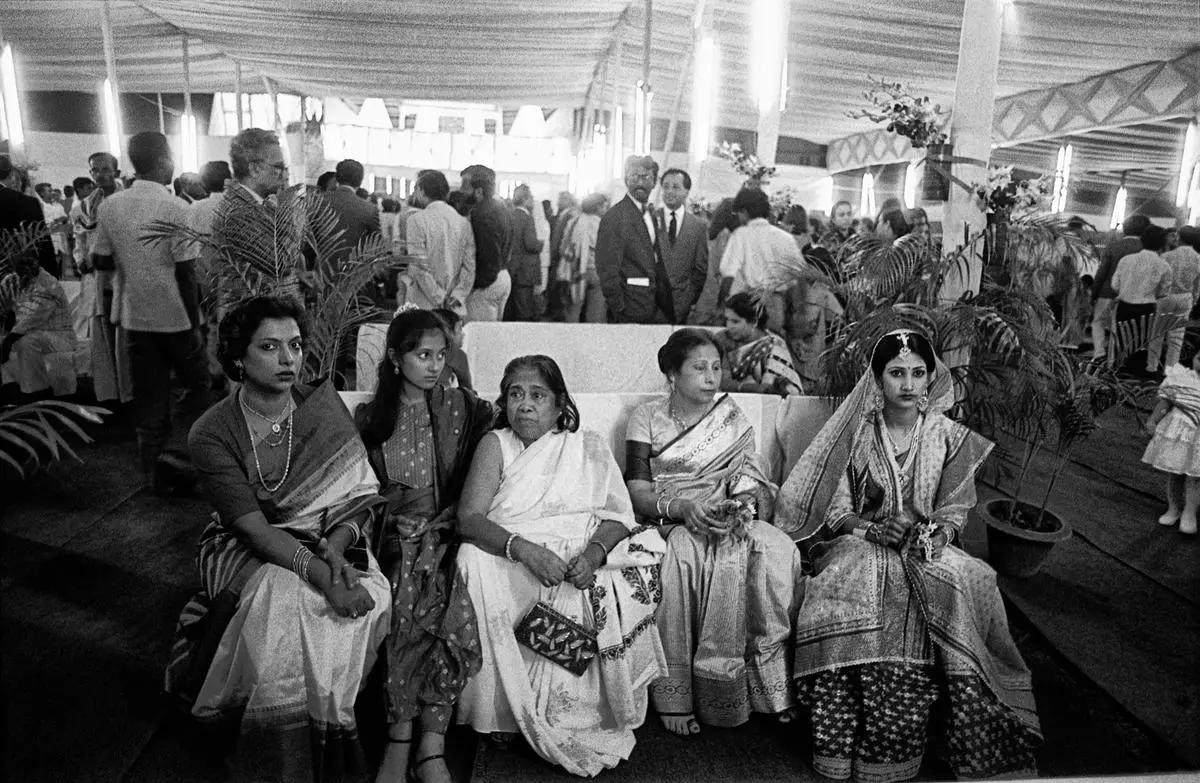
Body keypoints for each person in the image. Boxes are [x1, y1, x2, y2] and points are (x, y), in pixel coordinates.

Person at [774, 329, 1041, 782]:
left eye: (919, 373)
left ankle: (928, 735)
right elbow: (837, 511)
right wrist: (874, 529)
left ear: (930, 378)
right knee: (859, 579)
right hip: (860, 542)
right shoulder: (856, 435)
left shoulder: (949, 436)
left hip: (928, 544)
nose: (909, 384)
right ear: (877, 381)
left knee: (969, 578)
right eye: (897, 373)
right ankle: (842, 739)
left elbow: (956, 509)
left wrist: (934, 533)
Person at [164, 296, 392, 782]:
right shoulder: (212, 430)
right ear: (238, 357)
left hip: (330, 535)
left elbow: (358, 496)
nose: (289, 359)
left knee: (369, 596)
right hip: (243, 543)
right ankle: (281, 752)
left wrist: (334, 546)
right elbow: (252, 527)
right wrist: (323, 575)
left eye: (295, 345)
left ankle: (329, 730)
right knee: (288, 600)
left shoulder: (321, 407)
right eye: (269, 347)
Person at [455, 355, 667, 777]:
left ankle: (569, 706)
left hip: (577, 558)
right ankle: (503, 709)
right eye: (515, 394)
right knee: (470, 558)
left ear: (559, 404)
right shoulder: (494, 444)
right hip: (515, 554)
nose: (525, 405)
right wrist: (525, 551)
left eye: (537, 395)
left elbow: (617, 516)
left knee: (615, 574)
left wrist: (591, 556)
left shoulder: (586, 444)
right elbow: (470, 519)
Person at [624, 328, 803, 734]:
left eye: (716, 367)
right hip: (672, 517)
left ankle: (767, 689)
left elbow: (747, 474)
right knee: (686, 554)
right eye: (699, 368)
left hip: (727, 513)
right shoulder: (646, 418)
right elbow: (637, 492)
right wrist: (682, 508)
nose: (711, 377)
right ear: (672, 374)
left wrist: (737, 508)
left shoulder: (731, 414)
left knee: (773, 548)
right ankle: (678, 695)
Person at [355, 307, 494, 783]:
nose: (434, 366)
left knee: (448, 592)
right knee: (404, 588)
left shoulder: (462, 410)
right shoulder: (371, 418)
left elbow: (476, 480)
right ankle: (399, 736)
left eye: (441, 355)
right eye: (422, 355)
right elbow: (361, 496)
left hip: (446, 532)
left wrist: (445, 532)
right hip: (391, 540)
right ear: (396, 359)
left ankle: (430, 744)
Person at [90, 132, 211, 494]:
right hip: (176, 318)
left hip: (135, 319)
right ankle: (194, 466)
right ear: (163, 162)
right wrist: (194, 324)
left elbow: (99, 259)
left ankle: (154, 475)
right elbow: (186, 272)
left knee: (149, 397)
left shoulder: (110, 206)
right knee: (198, 390)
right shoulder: (176, 208)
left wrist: (132, 258)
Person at [71, 151, 129, 403]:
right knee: (102, 337)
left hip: (123, 279)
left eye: (105, 169)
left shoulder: (126, 201)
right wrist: (81, 260)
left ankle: (130, 393)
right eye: (94, 170)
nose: (99, 175)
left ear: (115, 172)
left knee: (124, 338)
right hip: (96, 279)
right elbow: (79, 243)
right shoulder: (84, 208)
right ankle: (110, 393)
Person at [596, 155, 673, 323]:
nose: (640, 182)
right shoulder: (615, 216)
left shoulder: (651, 215)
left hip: (651, 304)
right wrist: (618, 306)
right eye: (634, 177)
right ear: (626, 180)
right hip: (628, 307)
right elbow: (607, 267)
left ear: (654, 182)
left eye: (646, 177)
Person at [718, 187, 804, 333]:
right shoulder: (785, 238)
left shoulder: (741, 235)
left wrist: (720, 306)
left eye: (738, 212)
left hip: (746, 305)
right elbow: (798, 275)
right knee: (771, 349)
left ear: (744, 212)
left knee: (747, 349)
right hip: (775, 304)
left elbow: (728, 273)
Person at [0, 254, 77, 397]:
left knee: (27, 342)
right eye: (21, 265)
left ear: (37, 263)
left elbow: (30, 319)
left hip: (59, 337)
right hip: (28, 334)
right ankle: (9, 391)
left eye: (30, 263)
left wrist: (6, 343)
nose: (27, 268)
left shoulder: (48, 284)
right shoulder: (11, 281)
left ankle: (37, 392)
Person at [401, 169, 475, 315]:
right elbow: (469, 267)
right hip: (453, 305)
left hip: (423, 302)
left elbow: (419, 265)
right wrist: (456, 296)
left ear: (422, 190)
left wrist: (439, 297)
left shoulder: (416, 220)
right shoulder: (463, 222)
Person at [1142, 350, 1200, 536]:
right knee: (1175, 474)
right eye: (1199, 357)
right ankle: (1173, 508)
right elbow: (1164, 403)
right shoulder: (1180, 377)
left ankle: (1189, 513)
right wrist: (1152, 421)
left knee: (1195, 478)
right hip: (1178, 435)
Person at [714, 292, 804, 396]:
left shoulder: (773, 346)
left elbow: (776, 391)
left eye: (735, 321)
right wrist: (750, 387)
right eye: (727, 320)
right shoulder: (722, 338)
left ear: (754, 322)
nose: (729, 326)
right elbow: (722, 380)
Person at [1111, 225, 1171, 372]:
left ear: (1142, 241)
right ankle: (1136, 376)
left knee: (1122, 342)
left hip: (1124, 306)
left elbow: (1115, 285)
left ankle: (1119, 373)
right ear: (1162, 244)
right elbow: (1164, 292)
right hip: (1146, 309)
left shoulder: (1126, 260)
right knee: (1140, 345)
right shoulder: (1164, 265)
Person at [1091, 214, 1149, 360]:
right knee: (1118, 327)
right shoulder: (1145, 249)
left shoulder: (1114, 245)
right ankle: (1115, 356)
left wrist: (1094, 292)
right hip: (1130, 295)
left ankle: (1099, 353)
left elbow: (1102, 271)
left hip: (1106, 291)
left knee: (1098, 322)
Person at [461, 165, 513, 322]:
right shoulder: (501, 207)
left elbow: (489, 254)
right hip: (502, 276)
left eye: (465, 186)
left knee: (479, 339)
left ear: (478, 191)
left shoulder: (481, 213)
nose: (462, 191)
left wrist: (475, 286)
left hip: (488, 282)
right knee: (492, 336)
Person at [658, 168, 709, 323]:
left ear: (687, 192)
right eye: (666, 187)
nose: (669, 191)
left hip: (681, 305)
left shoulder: (698, 226)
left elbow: (700, 269)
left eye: (675, 187)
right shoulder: (648, 220)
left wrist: (689, 298)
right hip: (650, 302)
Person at [1147, 226, 1200, 373]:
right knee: (1177, 336)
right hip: (1185, 297)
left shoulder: (1167, 256)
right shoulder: (1198, 258)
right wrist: (1193, 300)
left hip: (1166, 296)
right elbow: (1198, 285)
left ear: (1179, 237)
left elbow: (1157, 279)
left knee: (1158, 333)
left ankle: (1151, 366)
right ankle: (1170, 369)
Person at [558, 193, 609, 323]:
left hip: (575, 271)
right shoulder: (602, 224)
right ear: (597, 208)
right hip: (596, 272)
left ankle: (571, 340)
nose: (606, 209)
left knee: (573, 312)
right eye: (604, 207)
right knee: (595, 315)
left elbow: (564, 246)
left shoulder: (574, 221)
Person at [503, 184, 545, 321]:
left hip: (511, 268)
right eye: (531, 197)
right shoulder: (527, 218)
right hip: (525, 271)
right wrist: (541, 244)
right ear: (525, 199)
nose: (533, 200)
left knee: (510, 308)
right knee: (524, 309)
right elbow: (530, 244)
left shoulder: (509, 215)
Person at [430, 307, 472, 390]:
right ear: (448, 332)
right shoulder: (457, 355)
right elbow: (468, 391)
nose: (463, 334)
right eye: (460, 329)